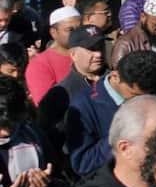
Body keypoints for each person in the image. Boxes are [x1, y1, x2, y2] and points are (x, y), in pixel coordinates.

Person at [66, 51, 156, 180]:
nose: (143, 101)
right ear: (115, 76)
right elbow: (83, 164)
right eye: (134, 95)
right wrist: (121, 134)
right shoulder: (83, 106)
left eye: (148, 95)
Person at [37, 24, 106, 174]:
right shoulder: (60, 94)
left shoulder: (116, 80)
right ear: (73, 54)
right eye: (91, 49)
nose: (99, 54)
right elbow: (50, 139)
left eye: (100, 47)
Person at [25, 6, 80, 106]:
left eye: (80, 28)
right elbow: (48, 107)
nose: (77, 34)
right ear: (54, 32)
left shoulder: (92, 53)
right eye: (70, 30)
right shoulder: (40, 64)